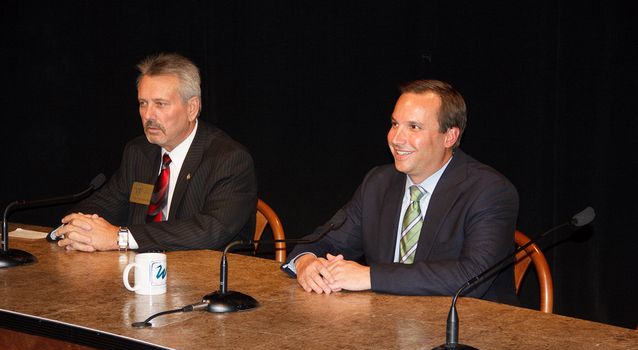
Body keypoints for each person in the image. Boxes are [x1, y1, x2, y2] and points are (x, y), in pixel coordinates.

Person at [282, 80, 519, 304]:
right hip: (385, 325)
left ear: (450, 136)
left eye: (413, 127)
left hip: (470, 334)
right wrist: (306, 261)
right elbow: (327, 240)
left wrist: (370, 277)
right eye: (395, 124)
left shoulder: (488, 190)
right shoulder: (379, 182)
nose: (396, 138)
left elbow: (472, 276)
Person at [51, 52, 257, 252]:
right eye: (143, 103)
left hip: (208, 278)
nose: (148, 115)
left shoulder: (229, 159)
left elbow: (209, 231)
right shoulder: (139, 152)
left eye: (160, 104)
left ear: (192, 108)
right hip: (140, 275)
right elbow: (104, 204)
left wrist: (119, 237)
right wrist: (78, 227)